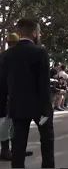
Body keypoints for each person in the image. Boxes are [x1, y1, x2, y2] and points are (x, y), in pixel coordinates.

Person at [0, 18, 54, 168]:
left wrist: (3, 111)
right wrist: (46, 110)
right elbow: (43, 85)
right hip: (39, 108)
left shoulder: (6, 55)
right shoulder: (40, 52)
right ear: (35, 34)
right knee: (47, 142)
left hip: (17, 107)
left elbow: (2, 86)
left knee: (18, 145)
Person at [0, 33, 33, 161]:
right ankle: (5, 150)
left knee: (14, 123)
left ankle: (17, 149)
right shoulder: (6, 56)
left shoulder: (12, 56)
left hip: (14, 94)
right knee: (6, 123)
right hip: (6, 94)